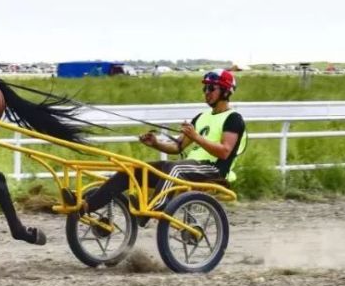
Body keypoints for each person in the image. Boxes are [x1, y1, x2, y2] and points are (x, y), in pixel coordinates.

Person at [81, 68, 247, 214]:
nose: (206, 92)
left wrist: (196, 137)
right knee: (133, 171)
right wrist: (156, 143)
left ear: (225, 91)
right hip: (189, 167)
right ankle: (87, 206)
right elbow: (178, 146)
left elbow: (225, 152)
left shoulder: (233, 119)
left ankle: (155, 207)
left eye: (211, 88)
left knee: (173, 168)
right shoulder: (201, 117)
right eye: (205, 88)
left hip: (213, 170)